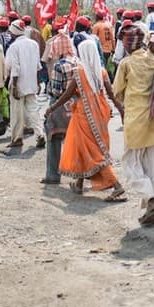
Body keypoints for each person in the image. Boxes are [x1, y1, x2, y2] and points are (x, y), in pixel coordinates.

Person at [48, 39, 126, 202]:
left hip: (84, 115)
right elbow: (110, 94)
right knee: (85, 148)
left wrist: (52, 107)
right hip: (101, 113)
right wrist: (120, 109)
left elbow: (68, 94)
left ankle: (117, 185)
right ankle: (79, 184)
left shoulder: (80, 72)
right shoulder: (101, 71)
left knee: (93, 151)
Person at [112, 26, 154, 224]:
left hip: (135, 118)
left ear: (126, 44)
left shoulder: (126, 63)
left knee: (130, 164)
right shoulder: (153, 59)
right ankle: (151, 208)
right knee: (149, 165)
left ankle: (151, 201)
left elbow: (117, 90)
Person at [39, 33, 75, 184]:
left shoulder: (59, 66)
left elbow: (56, 91)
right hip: (76, 106)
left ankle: (53, 175)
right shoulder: (77, 62)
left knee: (53, 139)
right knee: (74, 141)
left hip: (60, 105)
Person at [5, 20, 41, 149]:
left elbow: (14, 67)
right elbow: (37, 65)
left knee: (17, 113)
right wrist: (37, 82)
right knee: (33, 110)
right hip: (31, 83)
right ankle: (39, 134)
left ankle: (17, 139)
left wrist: (14, 86)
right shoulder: (33, 44)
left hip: (18, 84)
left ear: (14, 32)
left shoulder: (14, 46)